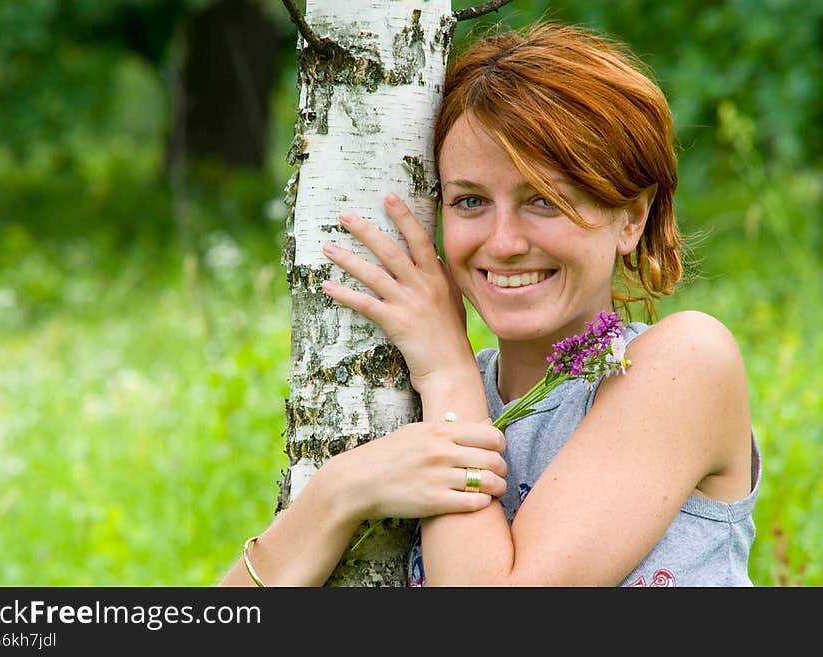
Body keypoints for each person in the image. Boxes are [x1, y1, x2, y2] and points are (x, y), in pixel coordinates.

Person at [220, 20, 759, 587]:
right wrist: (337, 492)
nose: (503, 243)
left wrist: (448, 373)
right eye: (471, 200)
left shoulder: (686, 365)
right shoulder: (405, 399)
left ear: (631, 218)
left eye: (544, 202)